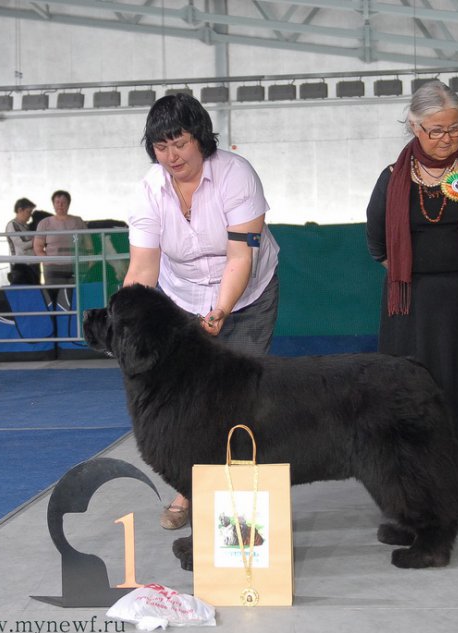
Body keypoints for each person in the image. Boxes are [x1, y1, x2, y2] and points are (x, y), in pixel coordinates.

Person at [124, 93, 280, 530]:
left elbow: (241, 257)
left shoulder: (237, 175)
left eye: (180, 143)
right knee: (186, 401)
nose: (171, 156)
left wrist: (221, 310)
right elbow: (143, 268)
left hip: (247, 299)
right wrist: (127, 325)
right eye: (161, 147)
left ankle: (241, 500)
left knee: (239, 398)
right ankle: (188, 487)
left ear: (202, 138)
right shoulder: (148, 191)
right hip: (182, 300)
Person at [366, 80, 458, 460]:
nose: (448, 138)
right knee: (413, 384)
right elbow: (377, 244)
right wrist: (414, 273)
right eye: (437, 130)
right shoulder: (392, 177)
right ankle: (419, 465)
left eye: (455, 128)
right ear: (415, 127)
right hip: (412, 304)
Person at [33, 190, 87, 286]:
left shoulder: (78, 221)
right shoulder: (44, 223)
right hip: (53, 268)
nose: (60, 205)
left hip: (77, 266)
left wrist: (89, 261)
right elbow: (38, 247)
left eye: (63, 202)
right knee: (53, 294)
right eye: (57, 202)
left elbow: (88, 243)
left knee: (78, 293)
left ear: (68, 204)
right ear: (53, 204)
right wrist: (47, 261)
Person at [6, 197, 39, 285]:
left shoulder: (26, 227)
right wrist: (37, 240)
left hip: (32, 264)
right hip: (21, 266)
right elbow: (22, 245)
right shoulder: (12, 225)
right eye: (28, 212)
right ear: (20, 210)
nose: (30, 215)